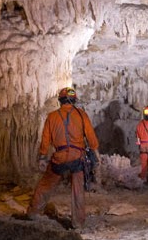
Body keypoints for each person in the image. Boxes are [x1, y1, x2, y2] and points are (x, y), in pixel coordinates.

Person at [27, 86, 100, 229]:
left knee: (46, 184)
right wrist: (95, 153)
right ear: (74, 100)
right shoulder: (81, 115)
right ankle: (78, 222)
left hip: (59, 157)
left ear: (60, 100)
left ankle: (34, 211)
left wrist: (42, 157)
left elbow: (45, 140)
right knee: (77, 190)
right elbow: (91, 138)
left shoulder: (52, 117)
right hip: (77, 157)